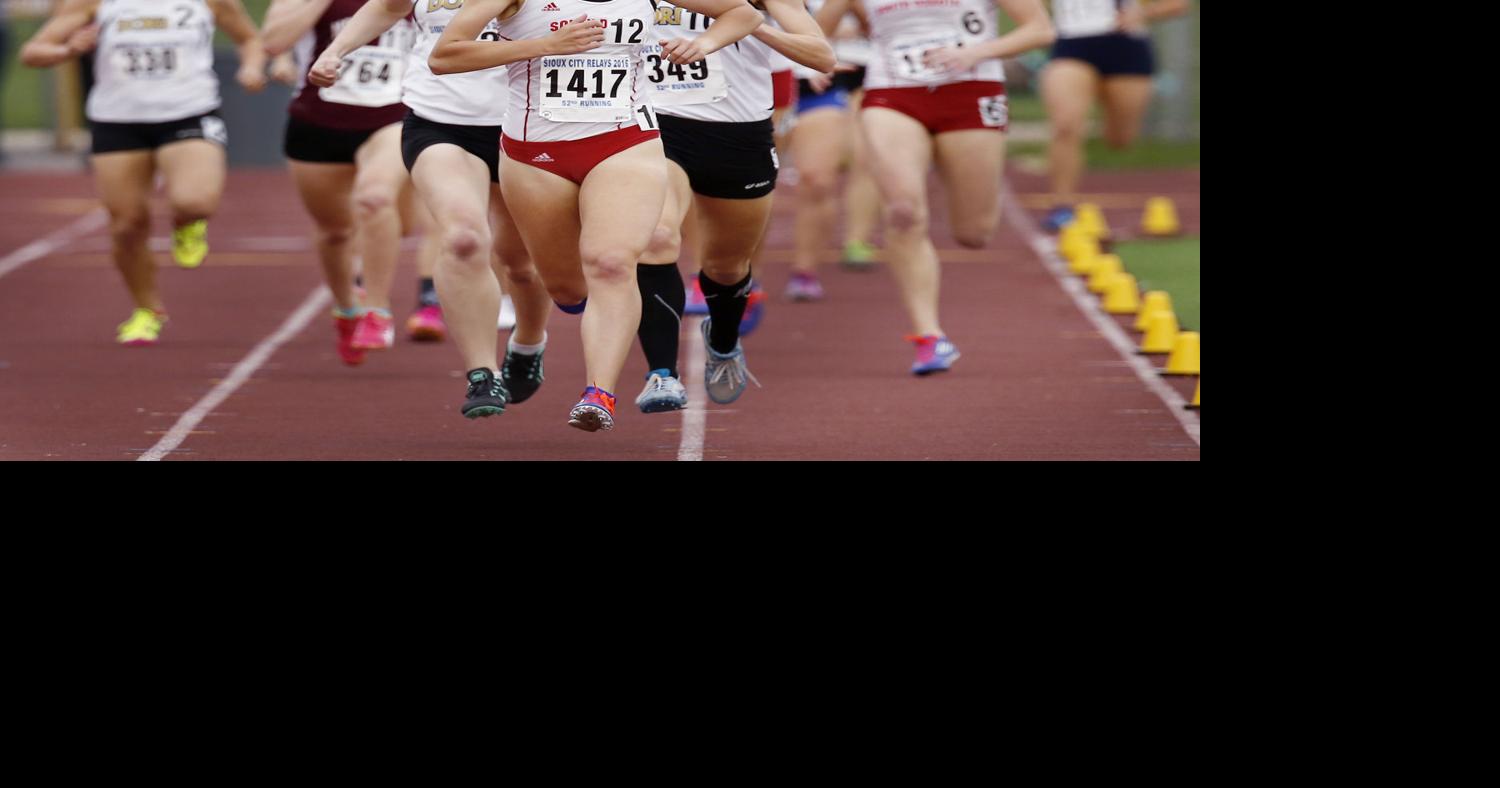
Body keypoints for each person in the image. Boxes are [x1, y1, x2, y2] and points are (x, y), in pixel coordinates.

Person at [430, 0, 764, 432]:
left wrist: (704, 43)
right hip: (536, 154)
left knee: (611, 263)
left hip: (625, 141)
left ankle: (599, 393)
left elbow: (744, 12)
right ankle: (531, 343)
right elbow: (445, 55)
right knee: (567, 290)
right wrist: (543, 45)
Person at [311, 0, 554, 418]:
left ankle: (528, 343)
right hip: (441, 120)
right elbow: (387, 7)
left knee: (522, 265)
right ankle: (482, 372)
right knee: (463, 238)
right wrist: (336, 51)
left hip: (529, 123)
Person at [814, 0, 1053, 375]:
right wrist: (814, 62)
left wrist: (976, 51)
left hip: (972, 90)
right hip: (892, 93)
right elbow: (814, 31)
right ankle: (929, 336)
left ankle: (948, 175)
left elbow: (1040, 29)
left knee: (974, 232)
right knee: (903, 212)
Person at [20, 0, 266, 346]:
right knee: (125, 225)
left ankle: (187, 224)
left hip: (189, 111)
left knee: (195, 202)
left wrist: (251, 68)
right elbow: (32, 51)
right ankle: (147, 309)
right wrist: (66, 50)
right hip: (117, 119)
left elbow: (249, 38)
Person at [632, 0, 834, 413]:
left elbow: (821, 56)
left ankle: (723, 342)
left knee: (727, 267)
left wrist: (750, 26)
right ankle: (661, 375)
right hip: (656, 122)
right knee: (657, 237)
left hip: (738, 134)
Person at [262, 0, 421, 367]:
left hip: (394, 116)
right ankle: (347, 308)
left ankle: (376, 310)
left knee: (375, 199)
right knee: (334, 232)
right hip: (318, 121)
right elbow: (273, 41)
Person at [1040, 0, 1188, 231]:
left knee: (1120, 139)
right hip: (1071, 46)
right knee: (1066, 125)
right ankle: (1062, 206)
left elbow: (1178, 5)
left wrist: (1143, 13)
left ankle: (1101, 101)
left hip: (1126, 46)